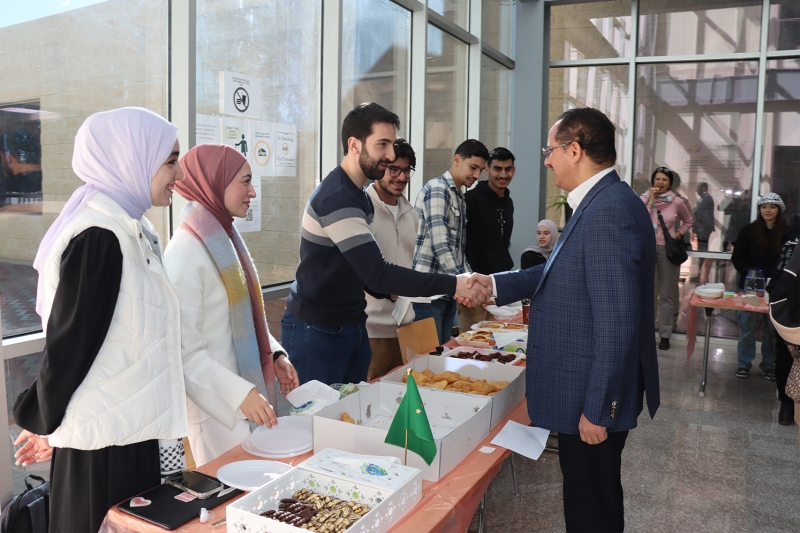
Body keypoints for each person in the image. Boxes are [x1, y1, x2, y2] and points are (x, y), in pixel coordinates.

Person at [467, 107, 659, 533]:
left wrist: (599, 410)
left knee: (591, 506)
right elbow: (556, 272)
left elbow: (618, 323)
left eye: (550, 150)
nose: (547, 160)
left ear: (575, 150)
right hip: (585, 388)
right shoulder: (600, 202)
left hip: (590, 397)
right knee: (591, 496)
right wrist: (492, 284)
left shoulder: (607, 212)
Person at [12, 107, 190, 532]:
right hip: (106, 449)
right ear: (132, 160)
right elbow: (70, 346)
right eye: (170, 161)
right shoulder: (100, 237)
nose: (180, 173)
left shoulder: (129, 229)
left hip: (128, 432)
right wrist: (42, 420)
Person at [280, 103, 490, 385]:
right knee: (320, 411)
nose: (390, 154)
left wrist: (383, 290)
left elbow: (358, 269)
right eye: (382, 144)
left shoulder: (359, 195)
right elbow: (377, 272)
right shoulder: (337, 197)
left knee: (355, 406)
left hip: (352, 322)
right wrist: (455, 284)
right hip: (318, 328)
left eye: (392, 144)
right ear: (354, 145)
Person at [164, 144, 299, 466]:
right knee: (232, 492)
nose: (253, 192)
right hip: (217, 410)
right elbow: (183, 352)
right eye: (245, 181)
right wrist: (240, 394)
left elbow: (244, 317)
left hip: (245, 399)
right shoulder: (185, 253)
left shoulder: (223, 238)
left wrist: (275, 354)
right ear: (215, 182)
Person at [412, 139, 489, 344]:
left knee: (442, 355)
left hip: (447, 291)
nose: (477, 175)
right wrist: (467, 283)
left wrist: (472, 281)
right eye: (473, 167)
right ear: (456, 160)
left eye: (481, 170)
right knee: (428, 357)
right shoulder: (438, 189)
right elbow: (441, 246)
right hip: (428, 294)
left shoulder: (459, 196)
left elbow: (457, 252)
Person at [364, 138, 418, 380]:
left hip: (406, 326)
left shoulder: (411, 213)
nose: (401, 177)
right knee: (369, 395)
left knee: (406, 394)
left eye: (407, 170)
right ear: (380, 167)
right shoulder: (362, 209)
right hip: (371, 328)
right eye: (394, 169)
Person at [731, 192, 788, 380]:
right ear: (759, 209)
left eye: (772, 207)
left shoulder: (786, 232)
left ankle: (768, 365)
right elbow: (737, 257)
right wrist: (752, 275)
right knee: (746, 326)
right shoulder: (748, 230)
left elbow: (789, 260)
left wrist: (777, 279)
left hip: (776, 288)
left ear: (779, 210)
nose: (767, 210)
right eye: (764, 207)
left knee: (772, 330)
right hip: (750, 288)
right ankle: (743, 364)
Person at [460, 147, 516, 333]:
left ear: (513, 170)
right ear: (487, 170)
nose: (503, 175)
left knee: (498, 341)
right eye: (497, 169)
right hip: (474, 289)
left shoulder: (508, 202)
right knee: (472, 342)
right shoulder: (470, 199)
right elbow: (460, 245)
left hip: (499, 288)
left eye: (508, 169)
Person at [641, 167, 693, 350]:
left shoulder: (677, 201)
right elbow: (640, 219)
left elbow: (689, 221)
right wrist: (651, 200)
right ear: (653, 181)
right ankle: (647, 332)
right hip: (647, 249)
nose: (660, 182)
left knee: (666, 295)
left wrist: (676, 234)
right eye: (658, 179)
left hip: (666, 251)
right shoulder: (644, 199)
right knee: (648, 294)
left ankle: (665, 334)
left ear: (670, 183)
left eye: (664, 179)